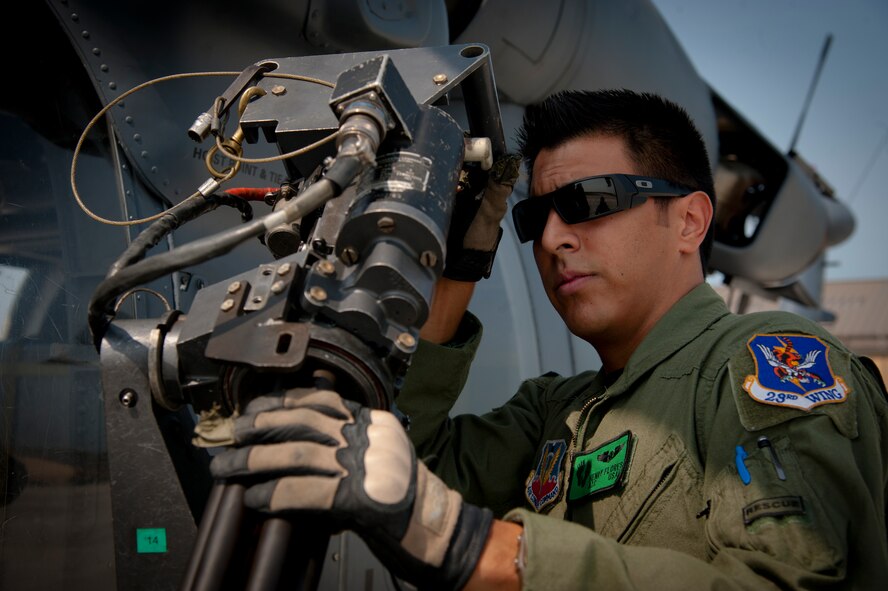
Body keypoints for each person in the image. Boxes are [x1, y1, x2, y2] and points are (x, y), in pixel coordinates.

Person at [209, 89, 888, 590]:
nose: (556, 238)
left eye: (591, 202)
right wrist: (460, 264)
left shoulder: (763, 363)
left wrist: (479, 548)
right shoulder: (555, 411)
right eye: (537, 216)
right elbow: (399, 459)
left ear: (689, 221)